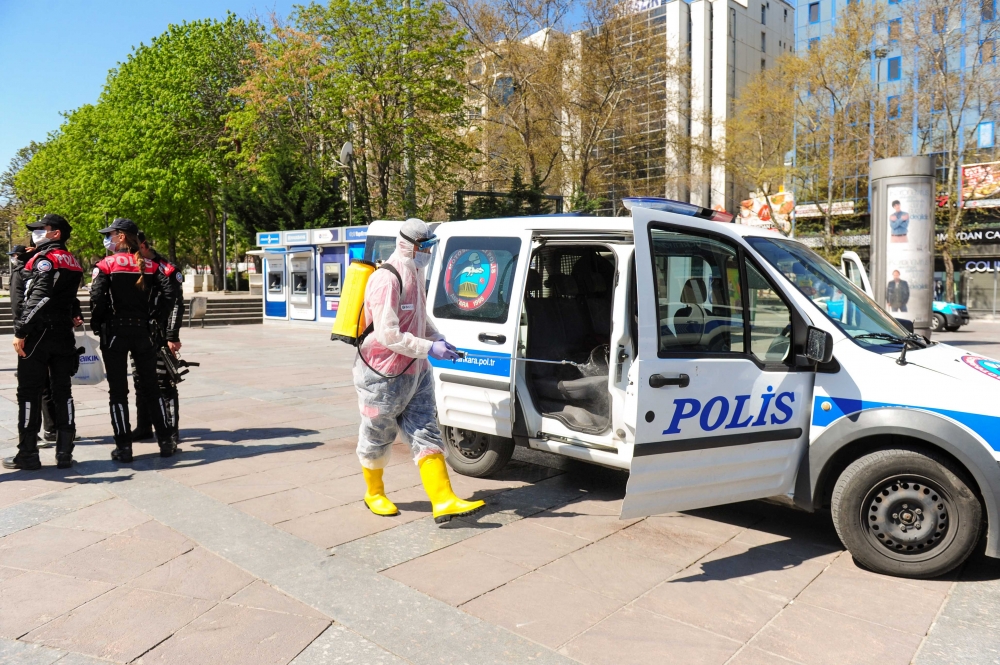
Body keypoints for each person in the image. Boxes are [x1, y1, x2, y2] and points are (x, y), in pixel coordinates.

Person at [354, 218, 485, 523]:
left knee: (427, 430)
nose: (427, 251)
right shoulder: (386, 278)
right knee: (377, 434)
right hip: (381, 375)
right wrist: (429, 349)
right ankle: (374, 493)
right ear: (407, 245)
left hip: (415, 371)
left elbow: (420, 321)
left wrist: (439, 340)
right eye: (423, 246)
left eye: (430, 246)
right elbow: (388, 334)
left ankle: (444, 500)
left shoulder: (416, 272)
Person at [90, 218, 177, 462]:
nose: (107, 238)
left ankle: (124, 447)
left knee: (118, 392)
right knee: (152, 389)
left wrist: (99, 323)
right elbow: (170, 293)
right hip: (143, 332)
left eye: (111, 234)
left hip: (115, 332)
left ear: (121, 237)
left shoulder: (106, 264)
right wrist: (155, 319)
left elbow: (97, 297)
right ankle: (166, 441)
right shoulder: (150, 265)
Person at [3, 215, 84, 471]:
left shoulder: (46, 260)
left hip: (39, 334)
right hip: (63, 335)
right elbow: (70, 299)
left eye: (42, 229)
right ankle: (64, 452)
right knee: (63, 394)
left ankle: (27, 454)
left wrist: (21, 330)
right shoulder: (73, 261)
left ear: (56, 233)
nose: (36, 233)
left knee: (29, 394)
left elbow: (40, 296)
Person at [130, 231, 184, 441]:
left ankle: (171, 430)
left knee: (164, 383)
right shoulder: (133, 267)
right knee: (140, 382)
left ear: (143, 246)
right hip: (139, 334)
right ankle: (144, 427)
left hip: (160, 336)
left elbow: (177, 304)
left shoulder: (166, 269)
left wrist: (172, 335)